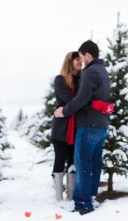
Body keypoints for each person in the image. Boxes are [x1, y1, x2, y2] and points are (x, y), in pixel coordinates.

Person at [54, 40, 111, 215]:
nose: (81, 60)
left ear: (87, 55)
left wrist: (64, 111)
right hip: (101, 126)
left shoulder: (89, 72)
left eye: (81, 56)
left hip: (87, 125)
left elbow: (81, 99)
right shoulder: (103, 71)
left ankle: (82, 203)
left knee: (83, 165)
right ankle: (91, 197)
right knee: (94, 164)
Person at [51, 51, 81, 202]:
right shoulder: (60, 80)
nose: (80, 62)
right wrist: (81, 100)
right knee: (60, 160)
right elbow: (71, 100)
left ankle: (70, 196)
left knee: (73, 162)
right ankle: (58, 198)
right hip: (61, 128)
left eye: (81, 59)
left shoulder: (82, 79)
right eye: (77, 59)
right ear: (70, 62)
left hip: (77, 127)